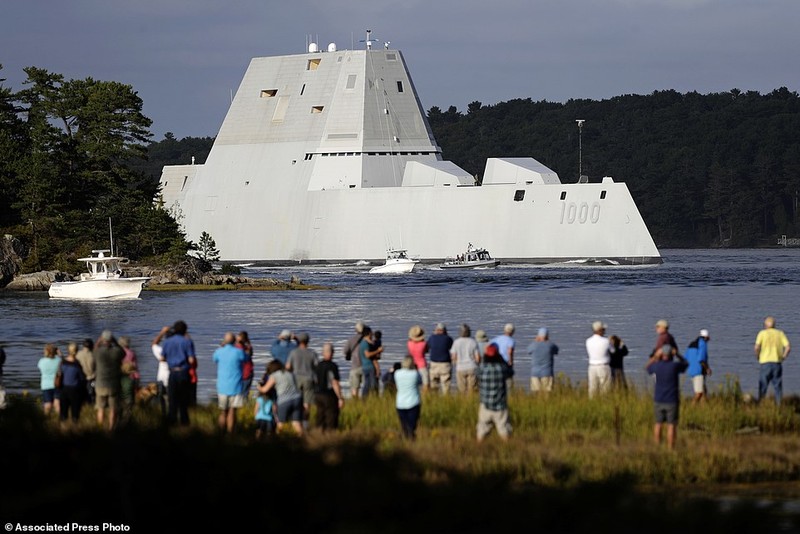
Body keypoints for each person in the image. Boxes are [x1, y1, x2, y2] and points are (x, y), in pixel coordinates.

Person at [646, 344, 688, 450]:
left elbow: (647, 367)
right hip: (672, 400)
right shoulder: (674, 366)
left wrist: (655, 356)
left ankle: (657, 447)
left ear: (662, 354)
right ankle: (670, 449)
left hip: (658, 399)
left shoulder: (657, 366)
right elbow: (686, 364)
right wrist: (677, 354)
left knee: (658, 424)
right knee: (671, 425)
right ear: (671, 355)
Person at [159, 320, 197, 426]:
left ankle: (171, 422)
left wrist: (172, 359)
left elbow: (162, 358)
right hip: (184, 373)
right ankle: (184, 423)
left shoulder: (167, 342)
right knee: (183, 400)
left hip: (172, 373)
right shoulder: (187, 342)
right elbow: (191, 360)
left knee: (172, 399)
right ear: (185, 330)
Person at [477, 343, 513, 442]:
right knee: (504, 429)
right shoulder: (501, 369)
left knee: (482, 430)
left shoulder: (482, 369)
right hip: (500, 406)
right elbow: (510, 372)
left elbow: (477, 374)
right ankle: (509, 449)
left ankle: (478, 450)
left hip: (485, 404)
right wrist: (502, 359)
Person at [212, 332, 247, 434]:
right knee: (232, 411)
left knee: (223, 412)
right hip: (236, 386)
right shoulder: (239, 352)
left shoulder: (219, 352)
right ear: (234, 341)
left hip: (222, 386)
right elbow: (246, 359)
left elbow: (214, 359)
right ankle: (230, 434)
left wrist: (222, 346)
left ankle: (220, 433)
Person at [258, 359, 304, 436]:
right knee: (296, 423)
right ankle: (303, 441)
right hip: (297, 398)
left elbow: (265, 389)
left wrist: (259, 387)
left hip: (284, 400)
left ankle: (279, 441)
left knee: (280, 424)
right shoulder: (290, 373)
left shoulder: (274, 376)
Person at [754, 316, 791, 406]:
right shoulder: (780, 333)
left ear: (765, 325)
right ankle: (779, 406)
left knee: (763, 385)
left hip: (765, 363)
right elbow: (788, 347)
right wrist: (784, 356)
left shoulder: (762, 333)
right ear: (774, 325)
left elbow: (756, 347)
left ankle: (760, 405)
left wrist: (758, 356)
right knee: (777, 386)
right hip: (777, 363)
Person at [286, 332, 319, 429]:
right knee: (306, 403)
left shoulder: (294, 352)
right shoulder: (312, 353)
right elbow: (317, 366)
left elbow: (288, 366)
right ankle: (305, 424)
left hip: (296, 379)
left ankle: (296, 422)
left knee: (296, 401)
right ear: (308, 342)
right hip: (309, 379)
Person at [93, 330, 124, 431]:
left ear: (103, 340)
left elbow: (94, 350)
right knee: (113, 409)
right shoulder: (116, 352)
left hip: (100, 384)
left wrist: (98, 341)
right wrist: (115, 342)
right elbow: (123, 352)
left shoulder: (99, 352)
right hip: (113, 384)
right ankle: (111, 429)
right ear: (111, 340)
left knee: (100, 408)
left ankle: (100, 428)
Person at [314, 341, 344, 431]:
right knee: (331, 417)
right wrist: (340, 397)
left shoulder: (318, 365)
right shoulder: (332, 366)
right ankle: (330, 436)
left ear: (323, 353)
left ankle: (318, 434)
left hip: (318, 394)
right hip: (328, 395)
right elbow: (334, 382)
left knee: (320, 416)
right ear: (332, 353)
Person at [394, 355, 422, 440]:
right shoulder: (415, 374)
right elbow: (420, 382)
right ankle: (411, 439)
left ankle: (405, 439)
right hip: (413, 402)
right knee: (412, 425)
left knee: (404, 425)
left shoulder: (397, 373)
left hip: (400, 403)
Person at [59, 342, 86, 426]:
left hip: (64, 389)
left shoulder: (63, 363)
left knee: (63, 414)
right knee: (75, 414)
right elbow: (82, 379)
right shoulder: (77, 365)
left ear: (68, 351)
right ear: (77, 351)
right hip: (74, 390)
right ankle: (74, 431)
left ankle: (63, 431)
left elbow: (59, 374)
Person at [528, 327, 559, 394]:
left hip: (535, 373)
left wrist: (536, 340)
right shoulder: (550, 345)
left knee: (536, 393)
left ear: (538, 335)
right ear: (547, 336)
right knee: (547, 393)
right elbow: (556, 351)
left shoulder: (533, 345)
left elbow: (528, 351)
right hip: (547, 372)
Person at [451, 324, 480, 394]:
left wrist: (456, 364)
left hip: (460, 367)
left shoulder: (456, 342)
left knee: (462, 390)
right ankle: (471, 403)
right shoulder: (473, 342)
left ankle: (463, 403)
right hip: (471, 367)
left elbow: (454, 357)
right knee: (472, 390)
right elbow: (478, 358)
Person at [685, 329, 712, 403]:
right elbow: (701, 359)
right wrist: (707, 369)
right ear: (706, 337)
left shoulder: (691, 344)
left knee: (703, 391)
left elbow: (685, 358)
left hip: (691, 371)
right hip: (699, 371)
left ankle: (705, 408)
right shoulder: (702, 343)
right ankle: (691, 408)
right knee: (699, 393)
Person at [585, 321, 611, 398]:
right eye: (603, 330)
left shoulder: (588, 341)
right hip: (603, 366)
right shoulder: (606, 341)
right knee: (605, 389)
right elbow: (613, 351)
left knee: (592, 388)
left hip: (592, 367)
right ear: (600, 330)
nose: (604, 331)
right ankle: (605, 403)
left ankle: (592, 404)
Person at [426, 322, 453, 394]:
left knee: (434, 385)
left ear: (436, 330)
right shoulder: (448, 338)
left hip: (434, 364)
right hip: (445, 364)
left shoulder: (432, 338)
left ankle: (434, 401)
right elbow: (451, 347)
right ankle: (446, 401)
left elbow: (428, 347)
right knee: (446, 386)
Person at [151, 326, 172, 419]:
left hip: (162, 379)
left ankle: (164, 416)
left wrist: (162, 332)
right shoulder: (178, 352)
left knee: (162, 399)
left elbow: (154, 344)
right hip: (173, 379)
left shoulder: (162, 351)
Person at [118, 336, 140, 422]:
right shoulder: (131, 353)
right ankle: (128, 419)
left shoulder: (118, 353)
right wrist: (137, 380)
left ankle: (119, 419)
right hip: (131, 378)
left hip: (120, 378)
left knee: (120, 399)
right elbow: (135, 368)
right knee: (130, 400)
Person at [343, 321, 366, 398]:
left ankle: (355, 403)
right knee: (367, 388)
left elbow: (345, 351)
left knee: (354, 389)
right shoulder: (367, 340)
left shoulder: (351, 340)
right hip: (365, 366)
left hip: (355, 366)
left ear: (356, 330)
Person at [38, 343, 61, 416]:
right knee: (57, 404)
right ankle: (60, 420)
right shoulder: (59, 360)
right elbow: (64, 363)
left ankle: (46, 419)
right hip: (57, 384)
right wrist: (59, 354)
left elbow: (40, 368)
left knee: (47, 404)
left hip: (46, 385)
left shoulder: (42, 361)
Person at [490, 323, 516, 390]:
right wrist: (511, 362)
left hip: (497, 363)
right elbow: (510, 352)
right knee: (508, 383)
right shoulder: (511, 341)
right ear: (512, 332)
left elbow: (489, 347)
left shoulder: (497, 339)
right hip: (506, 363)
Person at [358, 326, 382, 396]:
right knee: (373, 385)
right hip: (369, 366)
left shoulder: (363, 343)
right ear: (368, 333)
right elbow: (367, 355)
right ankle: (371, 398)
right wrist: (378, 350)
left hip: (365, 366)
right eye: (371, 333)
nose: (372, 334)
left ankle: (365, 399)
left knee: (367, 384)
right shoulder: (365, 343)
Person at [407, 325, 429, 391]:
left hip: (412, 364)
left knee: (413, 383)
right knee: (425, 383)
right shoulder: (424, 344)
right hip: (422, 364)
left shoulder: (409, 343)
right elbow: (426, 350)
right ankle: (425, 396)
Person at [75, 338, 96, 406]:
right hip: (91, 378)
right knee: (91, 396)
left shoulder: (78, 354)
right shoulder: (93, 355)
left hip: (80, 379)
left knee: (81, 396)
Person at [237, 331, 255, 400]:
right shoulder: (248, 348)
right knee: (245, 394)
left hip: (241, 373)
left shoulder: (238, 348)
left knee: (239, 394)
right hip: (248, 372)